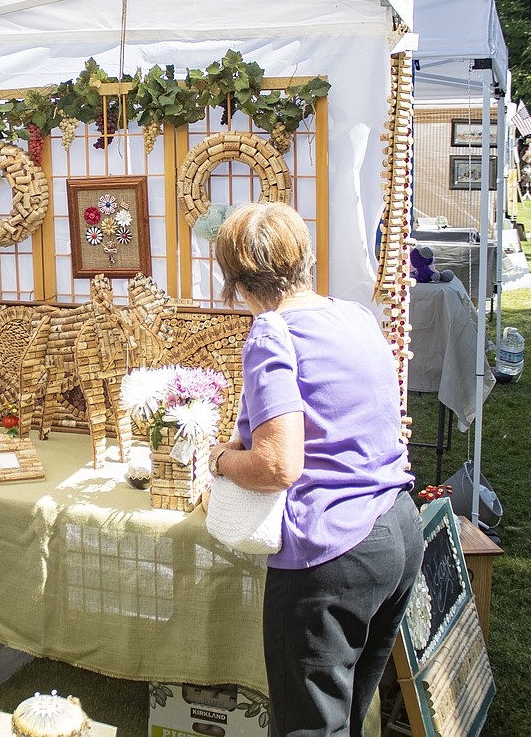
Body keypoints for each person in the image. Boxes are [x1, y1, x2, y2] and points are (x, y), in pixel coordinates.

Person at [208, 203, 424, 737]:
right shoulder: (353, 315)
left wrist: (220, 460)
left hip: (333, 548)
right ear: (304, 257)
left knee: (311, 724)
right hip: (395, 524)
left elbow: (279, 465)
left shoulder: (271, 334)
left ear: (237, 281)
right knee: (346, 714)